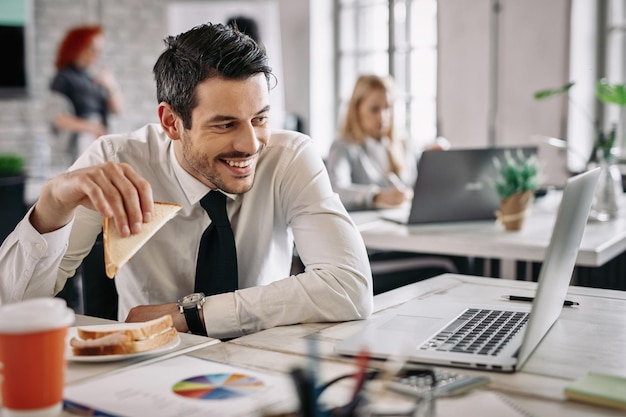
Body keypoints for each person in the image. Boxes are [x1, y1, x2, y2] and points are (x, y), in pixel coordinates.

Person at [0, 23, 373, 339]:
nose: (251, 144)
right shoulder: (116, 161)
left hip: (265, 362)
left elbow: (349, 287)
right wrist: (51, 209)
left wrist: (189, 316)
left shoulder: (289, 156)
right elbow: (12, 304)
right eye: (225, 124)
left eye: (259, 118)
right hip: (146, 371)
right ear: (171, 123)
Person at [325, 74, 417, 211]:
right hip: (366, 227)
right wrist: (376, 196)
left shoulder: (402, 144)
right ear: (357, 109)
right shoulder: (343, 146)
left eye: (387, 108)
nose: (382, 116)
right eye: (374, 109)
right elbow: (336, 190)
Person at [48, 25, 123, 165]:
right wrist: (91, 127)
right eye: (93, 49)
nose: (97, 54)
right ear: (78, 47)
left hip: (98, 140)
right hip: (79, 146)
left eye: (99, 50)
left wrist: (111, 85)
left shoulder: (93, 79)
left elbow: (117, 109)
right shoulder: (63, 78)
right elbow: (58, 118)